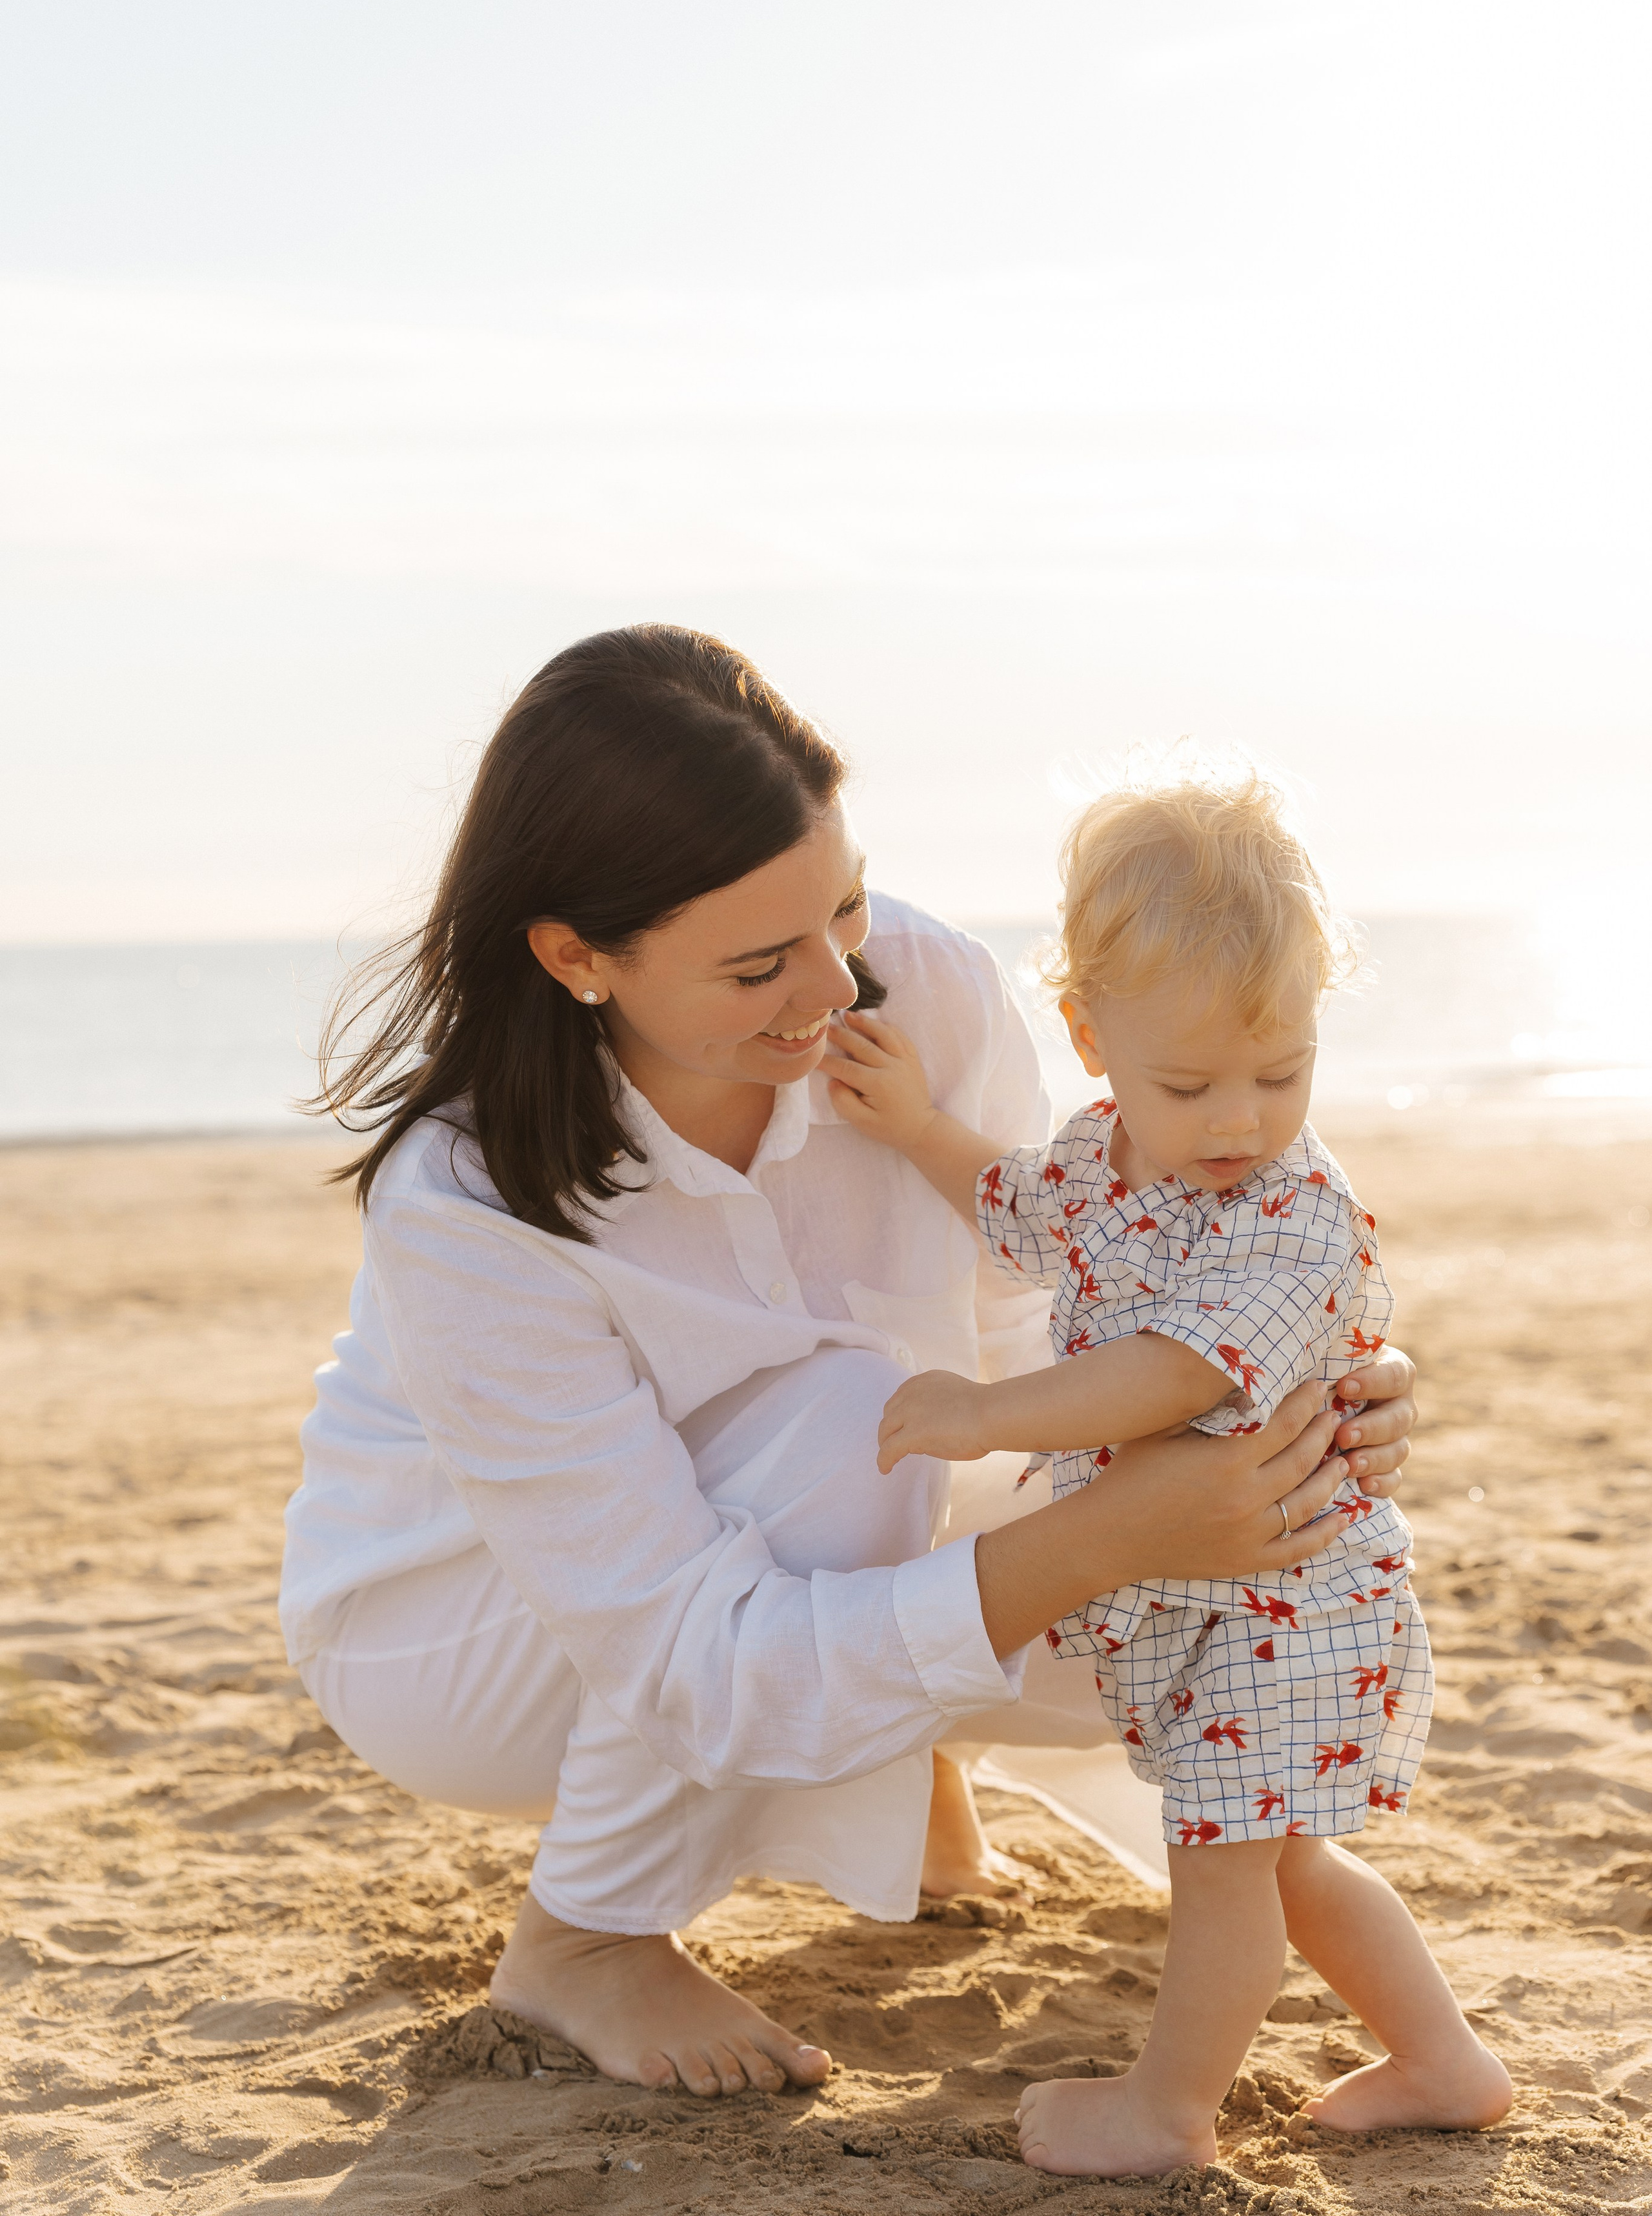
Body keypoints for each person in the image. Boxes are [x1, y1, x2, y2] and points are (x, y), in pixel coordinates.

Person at [281, 626, 1420, 2102]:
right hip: (470, 1635)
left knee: (1237, 1574)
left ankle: (910, 1762)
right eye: (759, 962)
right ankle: (581, 1937)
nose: (836, 986)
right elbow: (688, 1651)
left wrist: (1318, 1388)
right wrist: (1107, 1524)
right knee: (850, 1424)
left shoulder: (926, 992)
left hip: (844, 1517)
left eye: (848, 908)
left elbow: (1053, 1315)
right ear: (574, 956)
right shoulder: (465, 1197)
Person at [823, 764, 1509, 2175]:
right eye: (1186, 1081)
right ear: (1088, 1037)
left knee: (1219, 1866)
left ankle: (1168, 2110)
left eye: (1281, 1072)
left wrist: (986, 1407)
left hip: (1286, 1597)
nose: (1237, 1120)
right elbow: (1017, 1202)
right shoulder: (1106, 1158)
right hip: (1199, 1599)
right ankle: (1440, 2055)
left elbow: (1179, 1369)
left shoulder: (1291, 1213)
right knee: (1282, 1860)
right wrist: (912, 1130)